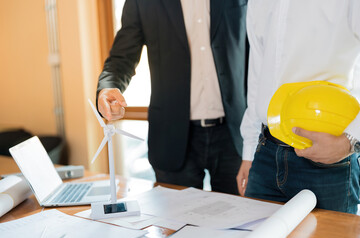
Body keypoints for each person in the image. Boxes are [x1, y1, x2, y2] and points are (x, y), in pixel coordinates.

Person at [96, 0, 249, 195]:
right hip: (172, 136)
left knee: (238, 221)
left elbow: (256, 51)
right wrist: (108, 88)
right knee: (178, 223)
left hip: (234, 135)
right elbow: (121, 58)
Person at [237, 0, 360, 213]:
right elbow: (258, 73)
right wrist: (248, 152)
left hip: (326, 158)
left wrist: (350, 142)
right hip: (265, 153)